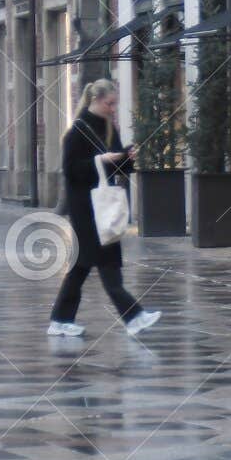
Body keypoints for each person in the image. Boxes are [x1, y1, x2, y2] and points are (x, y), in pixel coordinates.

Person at [48, 79, 163, 338]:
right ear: (96, 100)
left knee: (82, 266)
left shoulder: (110, 129)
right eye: (109, 104)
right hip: (86, 210)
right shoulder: (77, 131)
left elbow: (117, 169)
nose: (113, 109)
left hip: (104, 208)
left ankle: (60, 320)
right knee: (104, 262)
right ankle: (133, 315)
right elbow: (71, 170)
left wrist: (126, 157)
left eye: (115, 104)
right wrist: (100, 160)